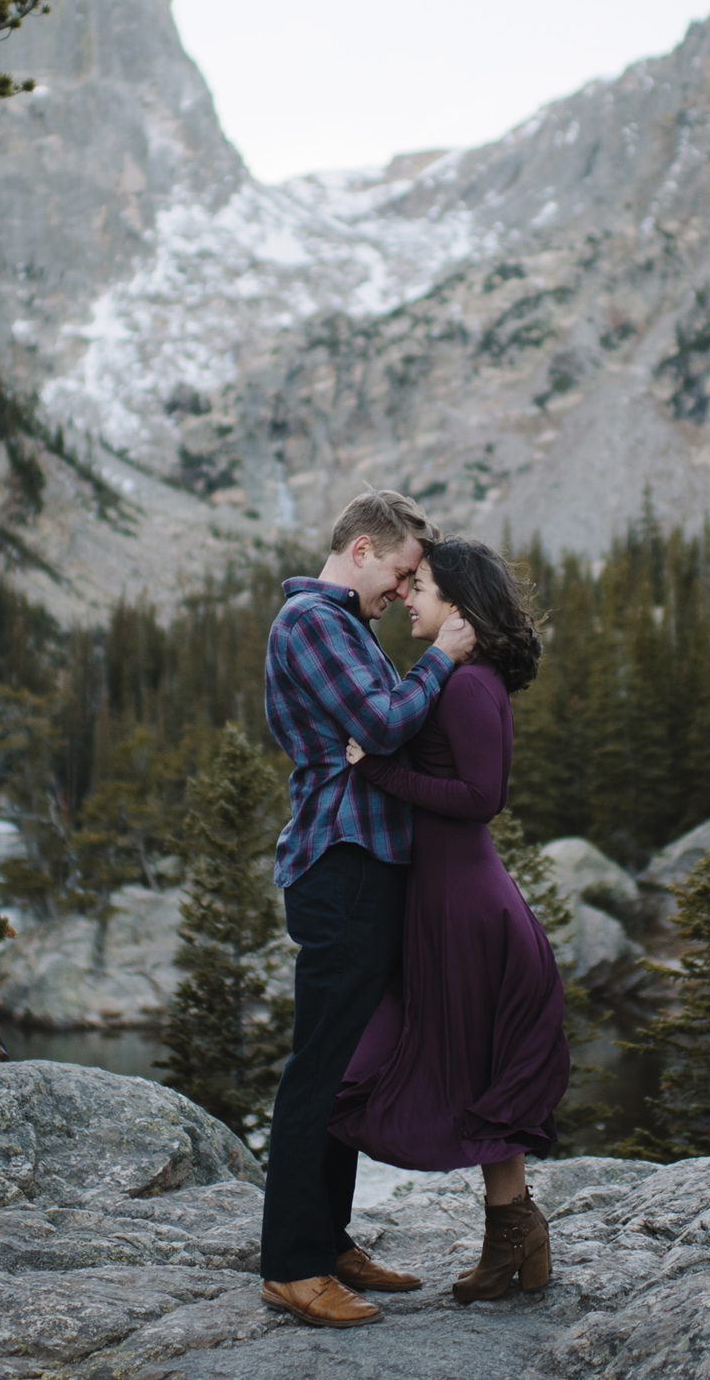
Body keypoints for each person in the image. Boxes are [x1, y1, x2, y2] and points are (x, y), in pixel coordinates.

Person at [257, 489, 477, 1330]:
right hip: (339, 865)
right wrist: (446, 654)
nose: (402, 589)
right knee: (321, 1063)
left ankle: (328, 1238)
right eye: (399, 570)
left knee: (350, 1062)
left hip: (365, 863)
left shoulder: (343, 626)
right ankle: (290, 1265)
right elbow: (383, 726)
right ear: (358, 551)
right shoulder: (312, 624)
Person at [332, 535, 567, 1302]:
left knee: (396, 1064)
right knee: (484, 1067)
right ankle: (515, 1238)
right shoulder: (466, 676)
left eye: (422, 585)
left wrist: (382, 770)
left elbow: (480, 798)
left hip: (467, 908)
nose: (408, 595)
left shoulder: (468, 686)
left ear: (459, 604)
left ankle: (511, 1241)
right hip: (453, 903)